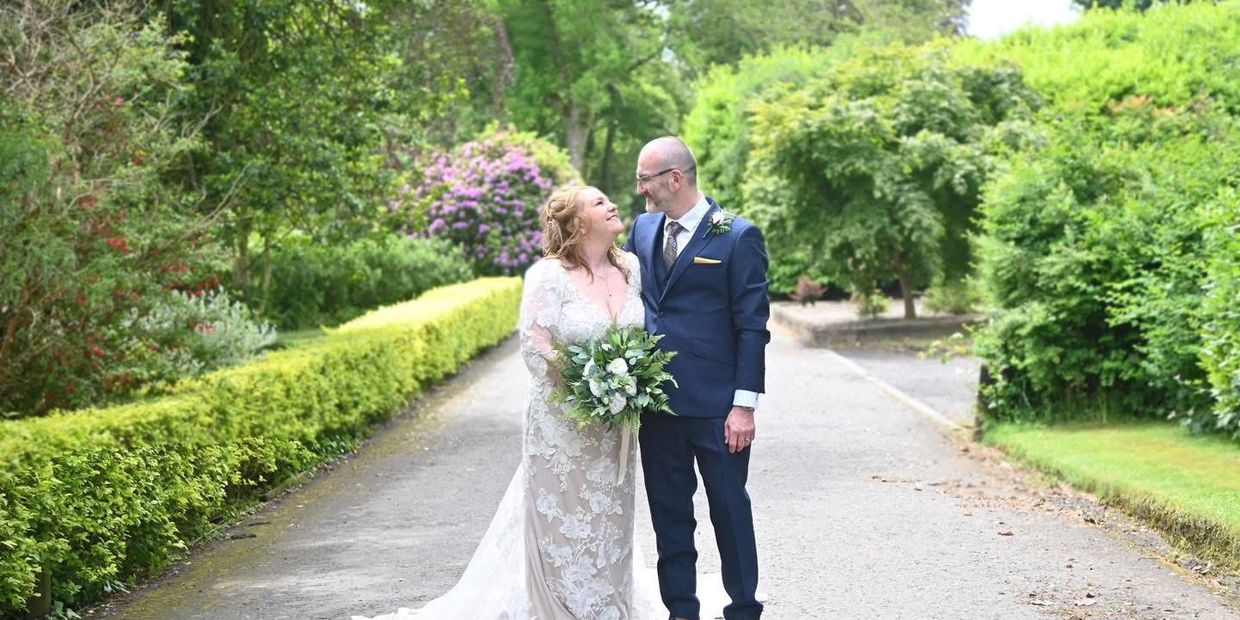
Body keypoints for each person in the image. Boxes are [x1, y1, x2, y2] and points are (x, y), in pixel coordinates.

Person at [355, 185, 667, 619]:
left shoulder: (632, 267)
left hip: (615, 425)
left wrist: (625, 388)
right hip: (562, 420)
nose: (613, 204)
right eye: (598, 203)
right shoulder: (548, 275)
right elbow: (535, 343)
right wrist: (591, 386)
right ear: (576, 224)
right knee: (560, 515)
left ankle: (609, 603)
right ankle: (555, 608)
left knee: (609, 515)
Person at [622, 137, 770, 620]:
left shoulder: (737, 236)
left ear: (675, 178)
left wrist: (743, 405)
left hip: (717, 408)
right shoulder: (642, 230)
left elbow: (752, 326)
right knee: (669, 517)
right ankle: (680, 611)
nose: (640, 188)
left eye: (646, 179)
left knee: (729, 510)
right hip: (657, 406)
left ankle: (744, 608)